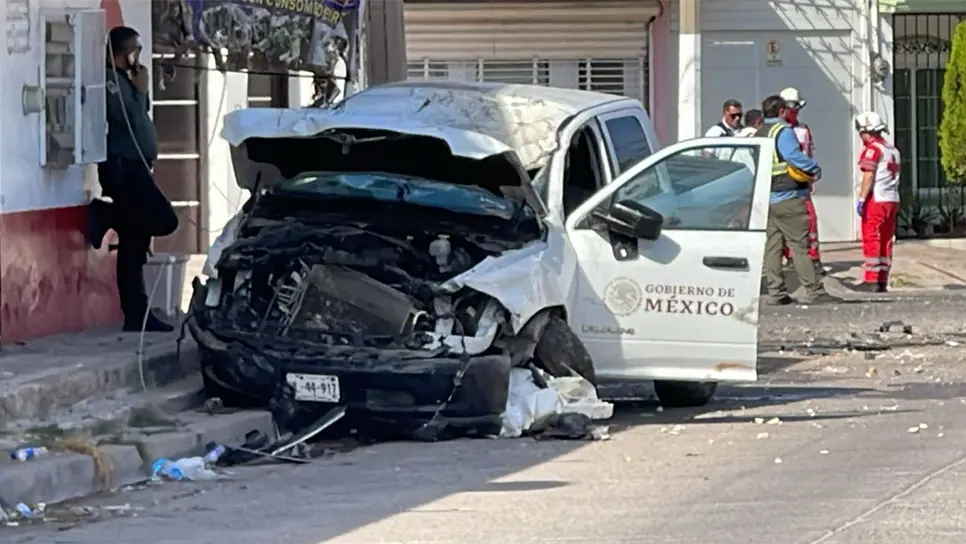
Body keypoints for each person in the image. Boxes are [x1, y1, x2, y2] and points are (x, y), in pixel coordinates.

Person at [87, 26, 179, 332]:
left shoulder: (128, 80)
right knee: (164, 219)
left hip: (137, 163)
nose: (137, 56)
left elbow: (144, 112)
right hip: (123, 165)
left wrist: (143, 89)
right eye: (133, 50)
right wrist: (139, 92)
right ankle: (107, 212)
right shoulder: (111, 81)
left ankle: (136, 313)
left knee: (134, 243)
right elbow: (126, 117)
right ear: (119, 53)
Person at [757, 95, 838, 305]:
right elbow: (793, 156)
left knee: (773, 247)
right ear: (782, 111)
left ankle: (776, 292)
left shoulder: (760, 132)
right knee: (800, 246)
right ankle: (815, 291)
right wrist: (814, 168)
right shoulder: (782, 132)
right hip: (789, 197)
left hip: (767, 198)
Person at [778, 87, 824, 275]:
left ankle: (812, 257)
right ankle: (787, 255)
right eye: (791, 108)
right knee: (783, 221)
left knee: (809, 220)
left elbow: (808, 153)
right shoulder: (778, 130)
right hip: (783, 182)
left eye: (797, 108)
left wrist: (811, 176)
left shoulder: (804, 130)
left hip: (802, 182)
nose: (794, 112)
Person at [854, 111, 900, 293]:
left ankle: (871, 280)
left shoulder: (872, 149)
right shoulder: (892, 149)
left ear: (866, 131)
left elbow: (869, 175)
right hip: (892, 199)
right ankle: (882, 278)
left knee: (872, 237)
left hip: (877, 199)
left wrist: (862, 199)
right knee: (886, 239)